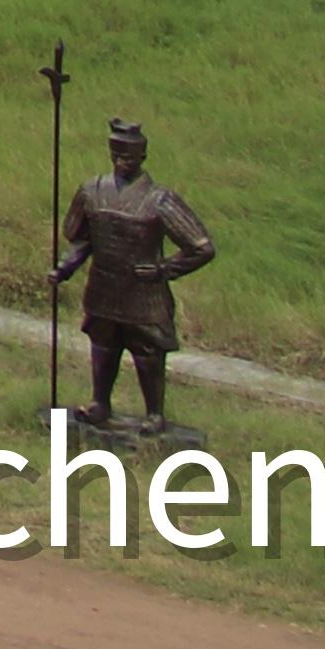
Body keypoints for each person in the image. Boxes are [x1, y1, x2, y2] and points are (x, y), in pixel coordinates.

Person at [54, 116, 217, 435]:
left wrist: (163, 269)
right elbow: (81, 239)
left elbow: (202, 247)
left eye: (128, 156)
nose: (121, 162)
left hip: (144, 294)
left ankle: (154, 413)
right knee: (103, 346)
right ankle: (100, 403)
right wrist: (64, 268)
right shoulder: (92, 191)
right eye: (116, 156)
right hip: (103, 287)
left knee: (148, 352)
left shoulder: (159, 200)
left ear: (142, 157)